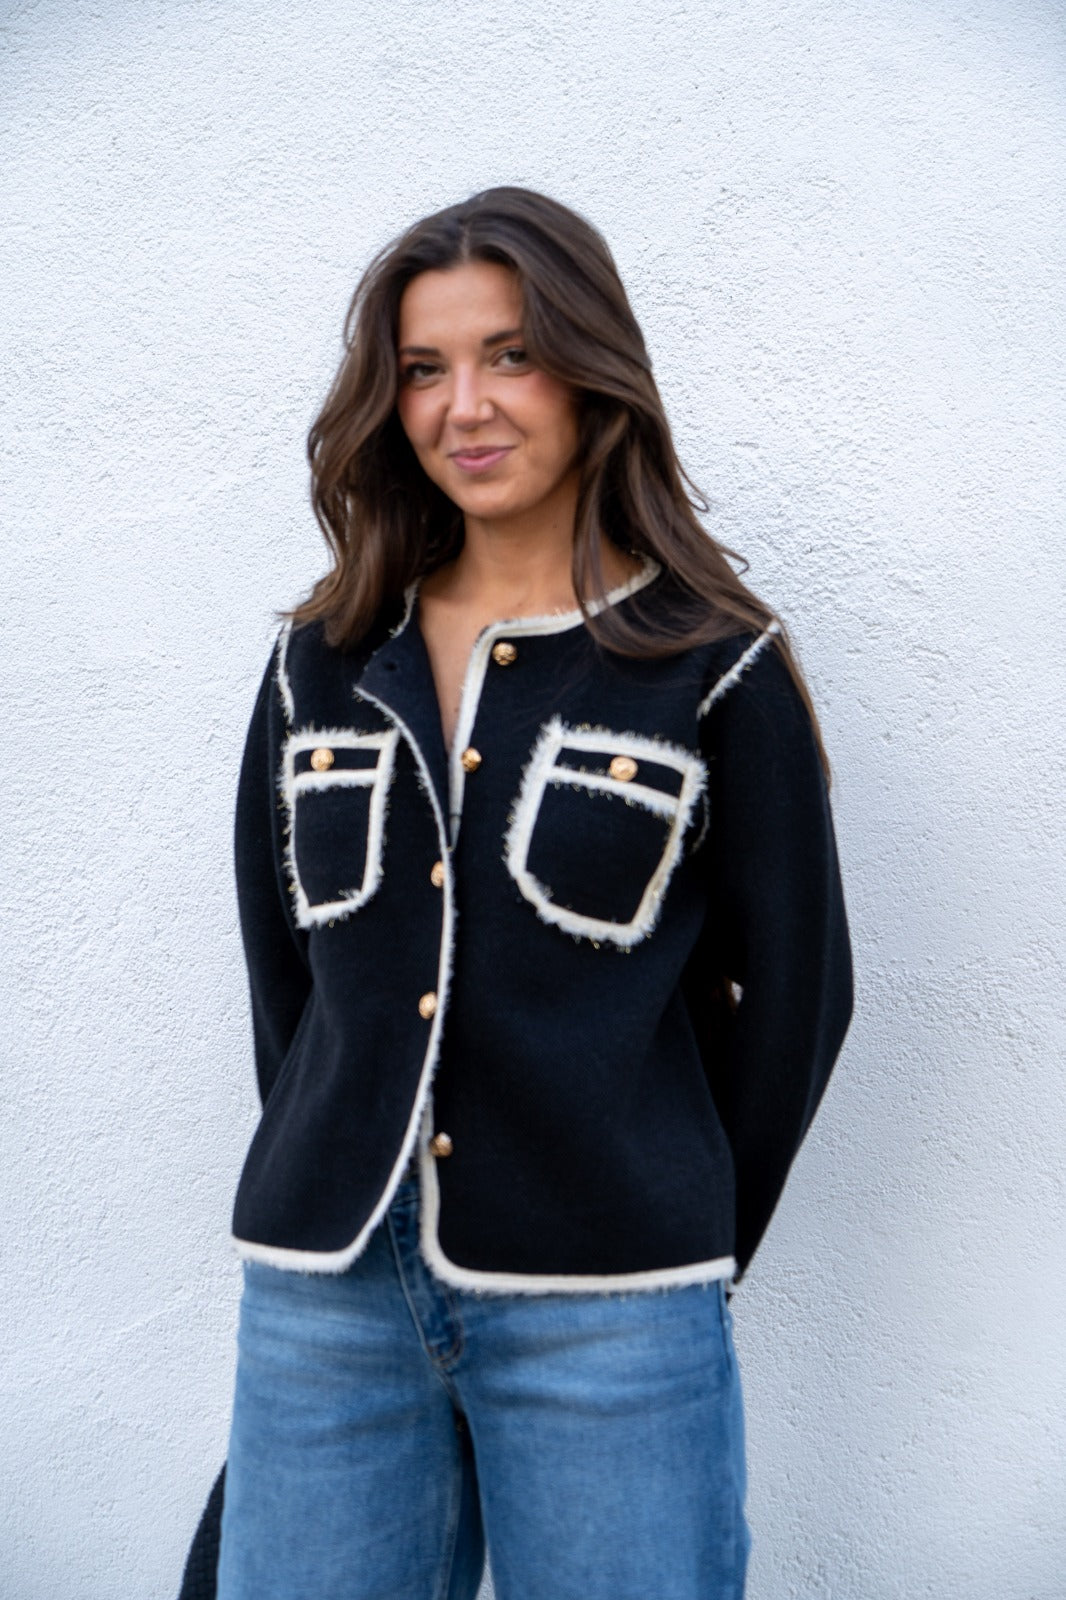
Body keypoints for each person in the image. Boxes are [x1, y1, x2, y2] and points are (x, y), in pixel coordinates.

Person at [179, 185, 853, 1600]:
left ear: (592, 375)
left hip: (611, 1315)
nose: (464, 406)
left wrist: (671, 1231)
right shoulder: (320, 660)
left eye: (510, 355)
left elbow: (799, 995)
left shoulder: (709, 667)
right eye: (423, 368)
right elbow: (287, 980)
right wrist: (340, 1154)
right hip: (324, 1303)